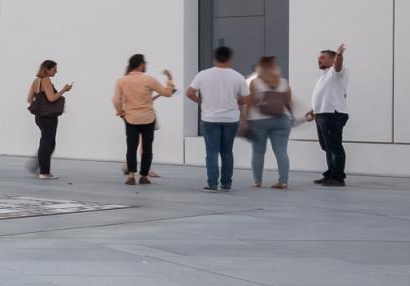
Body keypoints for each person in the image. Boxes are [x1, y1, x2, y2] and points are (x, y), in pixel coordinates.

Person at [188, 46, 247, 191]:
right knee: (227, 152)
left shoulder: (203, 74)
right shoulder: (237, 76)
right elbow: (247, 98)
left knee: (212, 152)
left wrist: (200, 101)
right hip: (231, 119)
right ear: (230, 58)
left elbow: (189, 93)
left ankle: (212, 184)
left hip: (209, 119)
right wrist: (235, 103)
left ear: (215, 58)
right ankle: (226, 183)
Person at [113, 53, 176, 184]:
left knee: (131, 147)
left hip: (130, 118)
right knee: (147, 148)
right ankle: (144, 176)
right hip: (148, 118)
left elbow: (115, 100)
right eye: (145, 63)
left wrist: (121, 113)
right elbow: (167, 93)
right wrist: (170, 79)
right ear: (141, 64)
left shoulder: (121, 81)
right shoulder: (149, 80)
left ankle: (131, 175)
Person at [245, 54, 295, 188]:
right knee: (281, 151)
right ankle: (283, 181)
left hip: (259, 121)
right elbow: (288, 103)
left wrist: (245, 118)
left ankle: (257, 181)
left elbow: (251, 102)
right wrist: (292, 117)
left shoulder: (255, 82)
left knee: (258, 152)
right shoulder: (284, 82)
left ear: (260, 67)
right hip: (282, 120)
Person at [303, 42, 349, 186]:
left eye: (323, 57)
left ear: (332, 59)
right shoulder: (326, 76)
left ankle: (338, 178)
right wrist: (314, 110)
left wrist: (340, 55)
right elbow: (326, 95)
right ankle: (330, 174)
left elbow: (338, 66)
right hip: (323, 114)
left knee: (334, 146)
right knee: (327, 146)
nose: (319, 60)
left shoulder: (337, 72)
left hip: (332, 114)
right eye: (319, 57)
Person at [27, 60, 71, 178]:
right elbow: (51, 98)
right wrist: (63, 90)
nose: (56, 71)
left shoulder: (36, 81)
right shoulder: (46, 80)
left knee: (48, 142)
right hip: (48, 117)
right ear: (47, 69)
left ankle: (40, 167)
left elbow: (29, 99)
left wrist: (39, 107)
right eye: (54, 69)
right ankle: (44, 172)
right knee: (48, 144)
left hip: (39, 117)